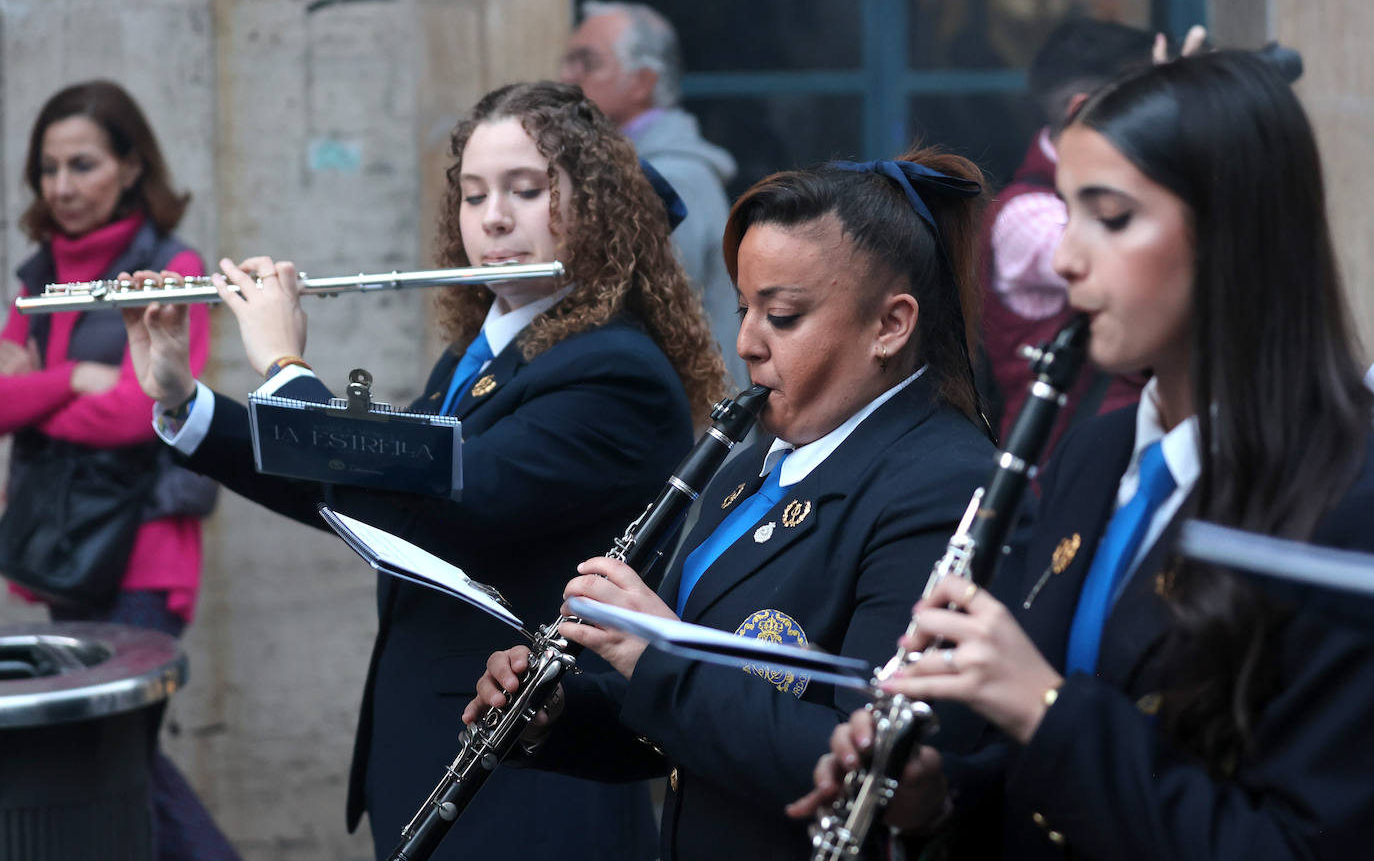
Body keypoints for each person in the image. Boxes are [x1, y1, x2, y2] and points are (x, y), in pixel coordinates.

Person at [792, 52, 1374, 860]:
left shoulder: (1349, 496)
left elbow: (1297, 841)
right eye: (1066, 214)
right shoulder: (1092, 455)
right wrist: (939, 797)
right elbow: (1047, 782)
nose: (1066, 260)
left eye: (1111, 216)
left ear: (1234, 232)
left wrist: (1043, 705)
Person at [122, 81, 725, 861]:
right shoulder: (482, 356)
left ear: (600, 207)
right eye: (474, 196)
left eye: (527, 190)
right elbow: (363, 498)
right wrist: (183, 399)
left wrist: (284, 364)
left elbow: (448, 501)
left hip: (530, 780)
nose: (495, 219)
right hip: (434, 754)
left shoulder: (616, 373)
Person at [466, 150, 998, 861]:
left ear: (891, 325)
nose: (745, 342)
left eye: (782, 315)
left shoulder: (944, 486)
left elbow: (871, 767)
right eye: (745, 308)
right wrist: (558, 713)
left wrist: (655, 654)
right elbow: (685, 722)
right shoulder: (749, 466)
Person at [0, 80, 235, 860]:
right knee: (102, 758)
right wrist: (68, 381)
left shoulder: (174, 263)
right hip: (65, 541)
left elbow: (147, 410)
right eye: (49, 168)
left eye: (84, 164)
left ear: (133, 166)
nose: (61, 187)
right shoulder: (38, 276)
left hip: (145, 544)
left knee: (118, 755)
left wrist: (34, 395)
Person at [979, 18, 1156, 451]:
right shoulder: (1026, 214)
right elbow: (1135, 275)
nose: (1161, 118)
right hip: (1056, 478)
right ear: (1080, 108)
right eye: (1148, 102)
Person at [559, 0, 744, 388]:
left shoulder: (671, 176)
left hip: (685, 422)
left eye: (587, 62)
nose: (566, 77)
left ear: (642, 81)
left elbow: (651, 311)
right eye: (568, 61)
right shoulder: (629, 165)